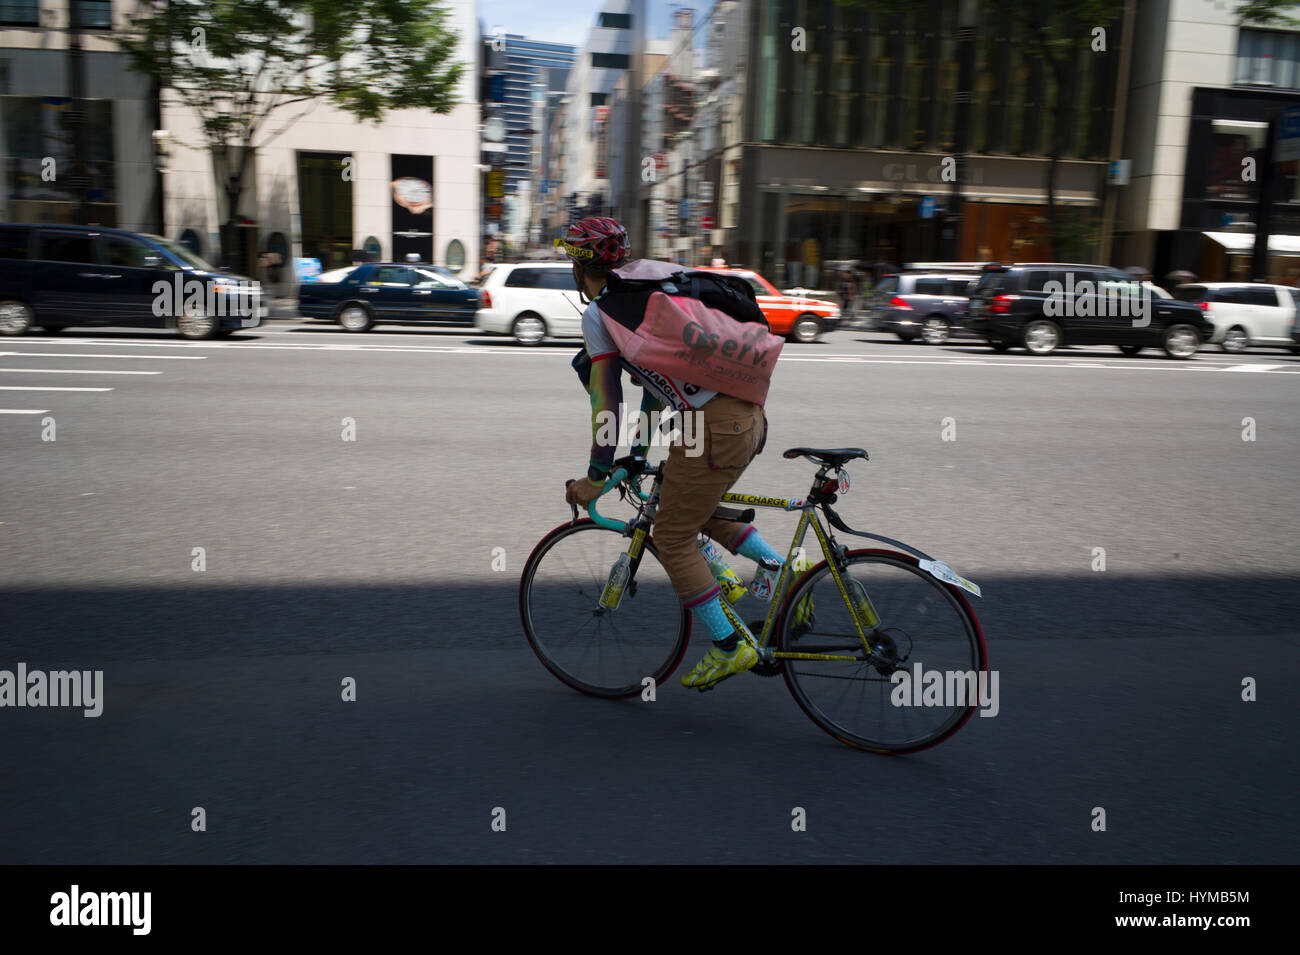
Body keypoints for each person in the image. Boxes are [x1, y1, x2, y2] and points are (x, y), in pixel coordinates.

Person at [559, 216, 807, 691]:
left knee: (672, 537)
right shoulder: (651, 282)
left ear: (578, 267)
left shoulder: (601, 313)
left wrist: (596, 473)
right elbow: (656, 384)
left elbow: (607, 398)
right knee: (692, 507)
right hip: (745, 418)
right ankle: (780, 571)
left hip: (712, 428)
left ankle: (730, 646)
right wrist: (637, 453)